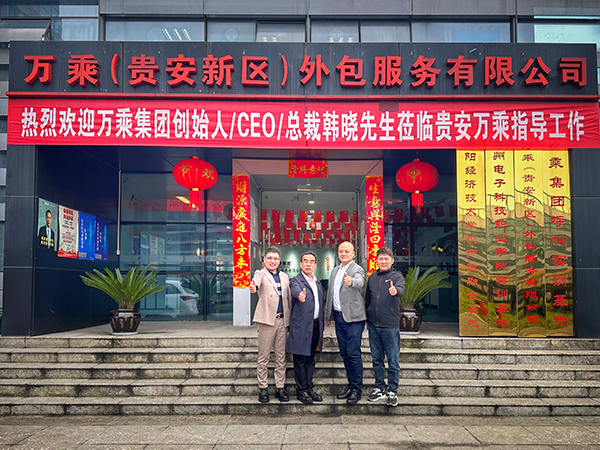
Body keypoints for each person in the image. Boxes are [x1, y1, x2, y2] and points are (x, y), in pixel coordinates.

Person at [324, 241, 366, 404]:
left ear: (353, 253)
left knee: (353, 353)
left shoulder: (357, 269)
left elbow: (360, 282)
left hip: (353, 319)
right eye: (341, 251)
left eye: (347, 251)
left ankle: (357, 389)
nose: (343, 254)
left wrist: (352, 282)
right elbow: (330, 294)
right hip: (339, 318)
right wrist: (328, 316)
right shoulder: (335, 270)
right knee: (345, 353)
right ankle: (351, 386)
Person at [249, 247, 292, 403]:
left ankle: (280, 387)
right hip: (267, 320)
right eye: (270, 258)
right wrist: (253, 287)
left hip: (282, 321)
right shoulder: (260, 274)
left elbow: (288, 299)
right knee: (264, 356)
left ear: (279, 261)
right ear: (264, 260)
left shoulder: (285, 277)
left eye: (276, 258)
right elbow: (255, 283)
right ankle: (263, 387)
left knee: (281, 356)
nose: (273, 261)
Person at [365, 247, 405, 407]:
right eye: (380, 259)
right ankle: (379, 388)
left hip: (390, 325)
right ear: (376, 261)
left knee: (393, 360)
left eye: (386, 259)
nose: (383, 261)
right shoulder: (372, 278)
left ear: (392, 261)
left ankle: (393, 391)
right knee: (377, 359)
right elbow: (367, 299)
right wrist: (367, 317)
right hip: (373, 325)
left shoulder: (397, 277)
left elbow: (401, 290)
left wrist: (396, 291)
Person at [287, 252, 325, 404]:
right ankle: (301, 390)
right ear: (301, 264)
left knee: (310, 359)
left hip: (315, 326)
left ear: (315, 265)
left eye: (312, 261)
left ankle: (309, 388)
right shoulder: (296, 281)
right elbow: (295, 291)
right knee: (300, 359)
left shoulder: (317, 282)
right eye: (305, 261)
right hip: (300, 327)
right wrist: (299, 295)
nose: (308, 264)